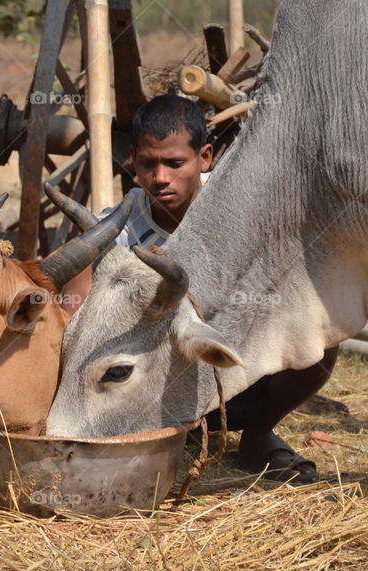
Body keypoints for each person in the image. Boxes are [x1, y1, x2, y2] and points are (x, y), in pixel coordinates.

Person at [63, 94, 331, 483]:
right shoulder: (115, 227)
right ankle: (157, 431)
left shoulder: (243, 211)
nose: (160, 178)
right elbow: (75, 311)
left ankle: (258, 433)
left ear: (204, 158)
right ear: (132, 160)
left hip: (236, 365)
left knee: (322, 345)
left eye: (175, 163)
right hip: (151, 378)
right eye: (148, 164)